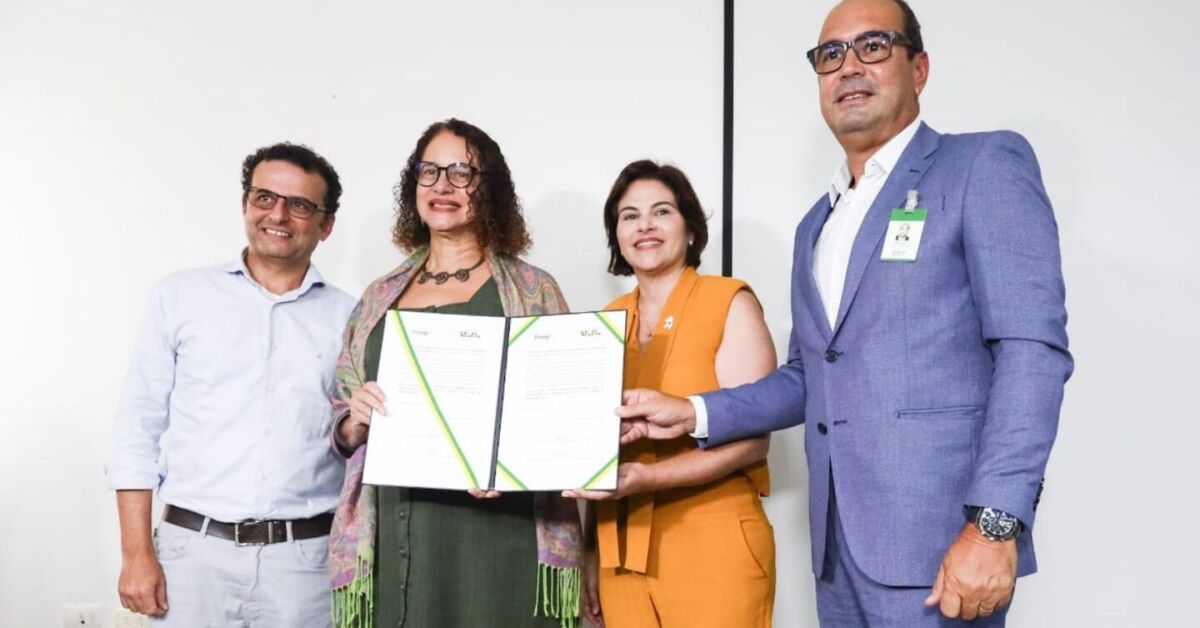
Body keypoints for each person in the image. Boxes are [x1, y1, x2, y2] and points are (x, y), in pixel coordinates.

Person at [616, 1, 1072, 626]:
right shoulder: (816, 224)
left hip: (944, 547)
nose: (849, 67)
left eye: (873, 46)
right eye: (830, 55)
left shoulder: (981, 167)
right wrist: (692, 411)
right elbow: (810, 376)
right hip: (838, 555)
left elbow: (1031, 353)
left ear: (919, 67)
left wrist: (995, 525)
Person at [327, 119, 583, 628]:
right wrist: (355, 421)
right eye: (429, 171)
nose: (442, 185)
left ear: (490, 190)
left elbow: (567, 417)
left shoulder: (534, 291)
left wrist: (512, 466)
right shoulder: (379, 297)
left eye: (462, 172)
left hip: (500, 530)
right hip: (396, 527)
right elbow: (342, 414)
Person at [107, 142, 355, 627]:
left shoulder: (352, 317)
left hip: (305, 565)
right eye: (265, 197)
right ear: (246, 204)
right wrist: (136, 555)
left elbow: (356, 437)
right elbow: (137, 430)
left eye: (299, 205)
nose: (277, 215)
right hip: (192, 557)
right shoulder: (180, 296)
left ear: (325, 225)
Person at [563, 161, 777, 628]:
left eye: (662, 211)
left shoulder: (729, 301)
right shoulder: (606, 320)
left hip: (712, 539)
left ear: (691, 229)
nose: (645, 225)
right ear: (617, 236)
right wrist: (591, 553)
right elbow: (597, 449)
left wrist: (649, 479)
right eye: (630, 216)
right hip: (619, 549)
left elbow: (753, 441)